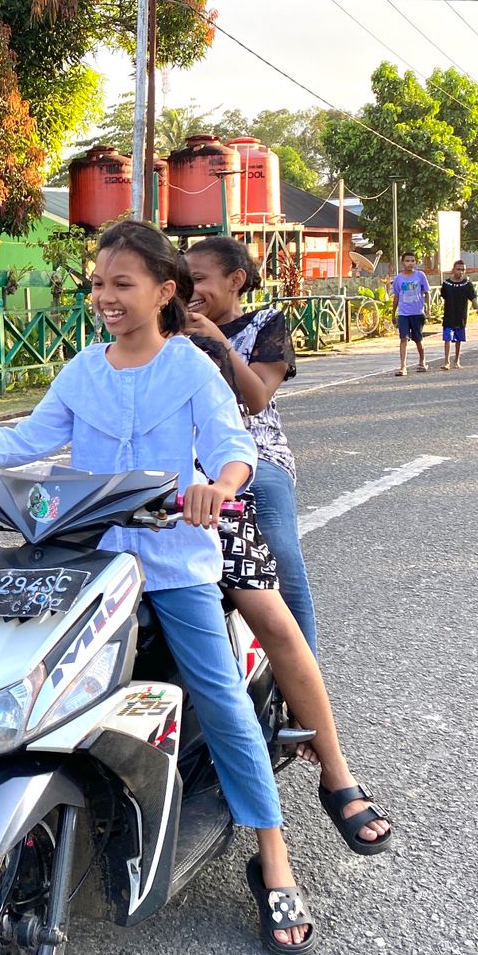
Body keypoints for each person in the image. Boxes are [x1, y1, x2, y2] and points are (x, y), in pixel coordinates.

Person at [0, 219, 319, 955]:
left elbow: (233, 445)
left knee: (221, 697)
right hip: (97, 558)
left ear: (164, 291)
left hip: (174, 561)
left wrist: (219, 486)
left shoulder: (191, 367)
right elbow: (24, 443)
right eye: (98, 284)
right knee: (30, 660)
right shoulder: (84, 370)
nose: (105, 297)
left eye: (122, 284)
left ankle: (273, 857)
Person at [186, 333, 393, 854]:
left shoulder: (222, 367)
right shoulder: (107, 370)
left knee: (278, 612)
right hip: (136, 532)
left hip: (221, 515)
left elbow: (239, 447)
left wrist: (221, 488)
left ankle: (334, 768)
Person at [182, 237, 320, 656]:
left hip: (259, 456)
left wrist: (218, 342)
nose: (189, 291)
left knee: (280, 554)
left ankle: (304, 680)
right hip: (188, 460)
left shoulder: (265, 323)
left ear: (236, 280)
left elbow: (257, 398)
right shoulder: (170, 331)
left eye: (199, 279)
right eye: (182, 281)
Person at [388, 251, 431, 375]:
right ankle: (403, 367)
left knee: (418, 339)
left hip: (417, 313)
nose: (410, 263)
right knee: (404, 338)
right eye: (407, 261)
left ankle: (422, 361)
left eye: (412, 261)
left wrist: (428, 309)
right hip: (403, 313)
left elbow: (427, 292)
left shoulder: (420, 275)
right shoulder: (398, 278)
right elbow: (396, 297)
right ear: (402, 263)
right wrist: (393, 313)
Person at [438, 258, 478, 371]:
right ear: (453, 270)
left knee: (458, 339)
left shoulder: (467, 284)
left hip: (461, 316)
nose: (461, 272)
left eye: (463, 270)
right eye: (458, 269)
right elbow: (442, 297)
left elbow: (472, 298)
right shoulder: (446, 284)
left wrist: (477, 309)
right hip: (449, 315)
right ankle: (446, 361)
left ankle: (457, 360)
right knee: (447, 338)